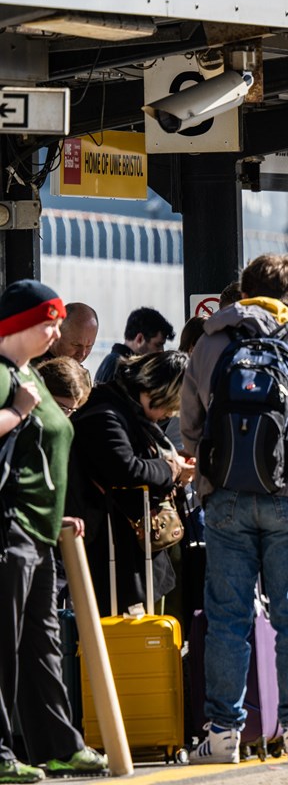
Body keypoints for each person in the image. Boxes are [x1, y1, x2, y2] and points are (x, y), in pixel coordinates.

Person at [182, 254, 288, 764]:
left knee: (227, 617)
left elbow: (190, 427)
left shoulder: (211, 342)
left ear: (242, 291)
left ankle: (223, 735)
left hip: (226, 497)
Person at [0, 280, 109, 783]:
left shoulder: (29, 375)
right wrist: (17, 411)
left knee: (41, 640)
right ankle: (2, 752)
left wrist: (53, 513)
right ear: (22, 322)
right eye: (50, 322)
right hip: (9, 525)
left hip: (37, 528)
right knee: (5, 639)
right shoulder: (7, 376)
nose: (58, 332)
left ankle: (60, 744)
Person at [67, 351, 192, 615]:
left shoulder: (121, 410)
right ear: (156, 390)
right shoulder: (105, 414)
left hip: (131, 549)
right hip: (114, 550)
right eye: (169, 406)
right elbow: (127, 468)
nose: (167, 414)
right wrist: (171, 469)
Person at [95, 307, 175, 385]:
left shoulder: (114, 362)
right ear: (139, 339)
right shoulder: (123, 369)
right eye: (157, 345)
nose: (161, 351)